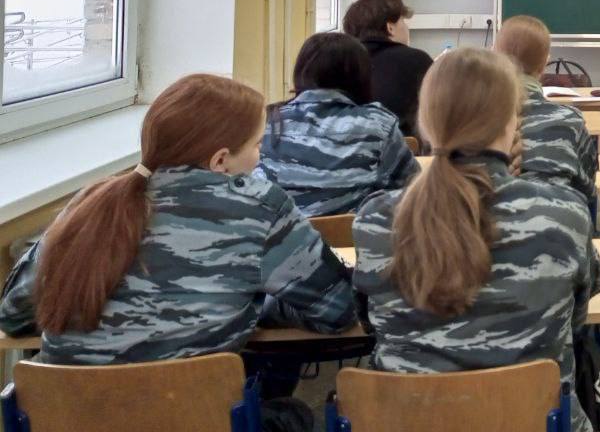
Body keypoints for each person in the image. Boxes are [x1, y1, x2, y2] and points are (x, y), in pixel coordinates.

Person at [0, 74, 356, 432]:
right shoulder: (261, 207)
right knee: (292, 413)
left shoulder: (89, 205)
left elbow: (13, 316)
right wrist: (254, 306)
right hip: (191, 417)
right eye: (256, 145)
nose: (259, 155)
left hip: (70, 419)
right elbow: (337, 310)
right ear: (220, 160)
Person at [352, 48, 594, 431]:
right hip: (532, 420)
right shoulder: (564, 214)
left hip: (406, 421)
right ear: (511, 122)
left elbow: (368, 320)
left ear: (426, 123)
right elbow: (577, 319)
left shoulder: (377, 220)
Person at [256, 32, 419, 217]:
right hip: (353, 234)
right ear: (361, 75)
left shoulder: (268, 122)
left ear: (301, 71)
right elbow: (412, 188)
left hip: (278, 232)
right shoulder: (378, 124)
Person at [493, 15, 597, 210]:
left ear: (494, 57)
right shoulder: (571, 121)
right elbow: (588, 190)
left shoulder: (475, 120)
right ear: (545, 63)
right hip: (560, 221)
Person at [343, 0, 433, 138]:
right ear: (390, 28)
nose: (407, 28)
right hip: (403, 149)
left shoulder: (339, 63)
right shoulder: (417, 60)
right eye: (403, 22)